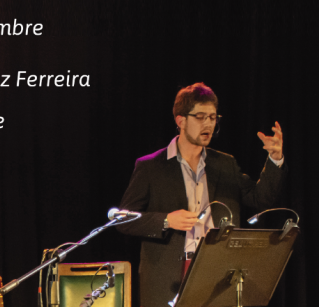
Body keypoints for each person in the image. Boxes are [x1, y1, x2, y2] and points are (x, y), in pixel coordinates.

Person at [116, 83, 286, 307]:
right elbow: (123, 219)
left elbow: (259, 199)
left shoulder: (224, 164)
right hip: (168, 277)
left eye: (213, 117)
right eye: (200, 117)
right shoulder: (151, 166)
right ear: (180, 120)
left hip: (217, 272)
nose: (208, 124)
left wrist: (275, 159)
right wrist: (166, 220)